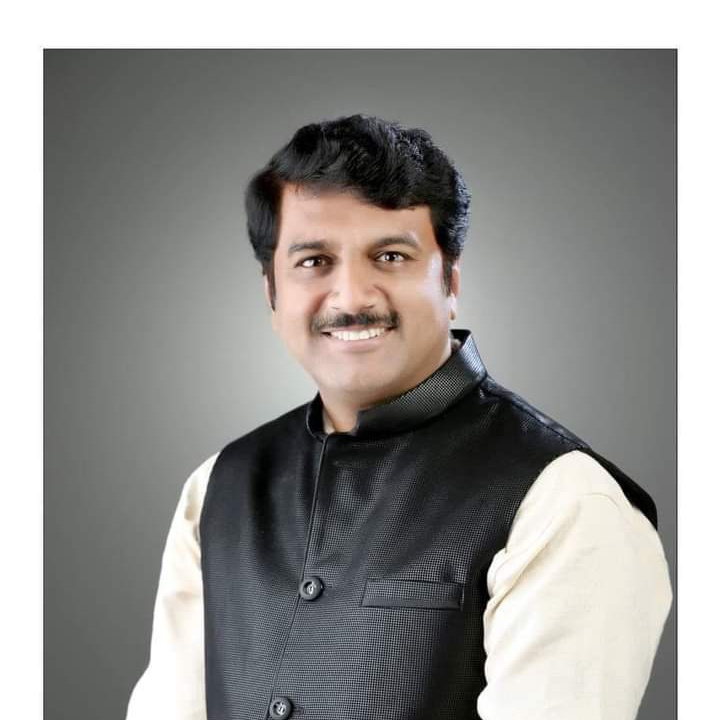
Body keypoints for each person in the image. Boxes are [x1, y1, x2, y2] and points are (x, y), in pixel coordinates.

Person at [125, 114, 673, 720]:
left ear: (450, 282)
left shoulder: (563, 499)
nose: (352, 297)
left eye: (390, 255)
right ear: (271, 295)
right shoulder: (217, 488)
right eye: (313, 261)